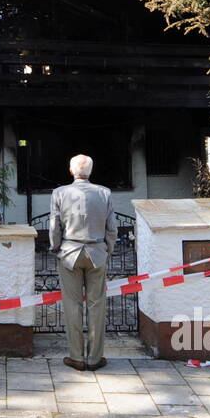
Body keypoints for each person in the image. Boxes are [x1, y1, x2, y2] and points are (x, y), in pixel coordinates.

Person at [47, 154, 118, 371]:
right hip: (97, 251)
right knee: (97, 305)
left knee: (72, 304)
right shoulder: (104, 193)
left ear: (71, 171)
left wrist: (55, 247)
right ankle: (95, 358)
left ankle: (76, 357)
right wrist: (109, 249)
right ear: (91, 172)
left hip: (69, 252)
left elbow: (54, 226)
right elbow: (112, 227)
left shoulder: (59, 193)